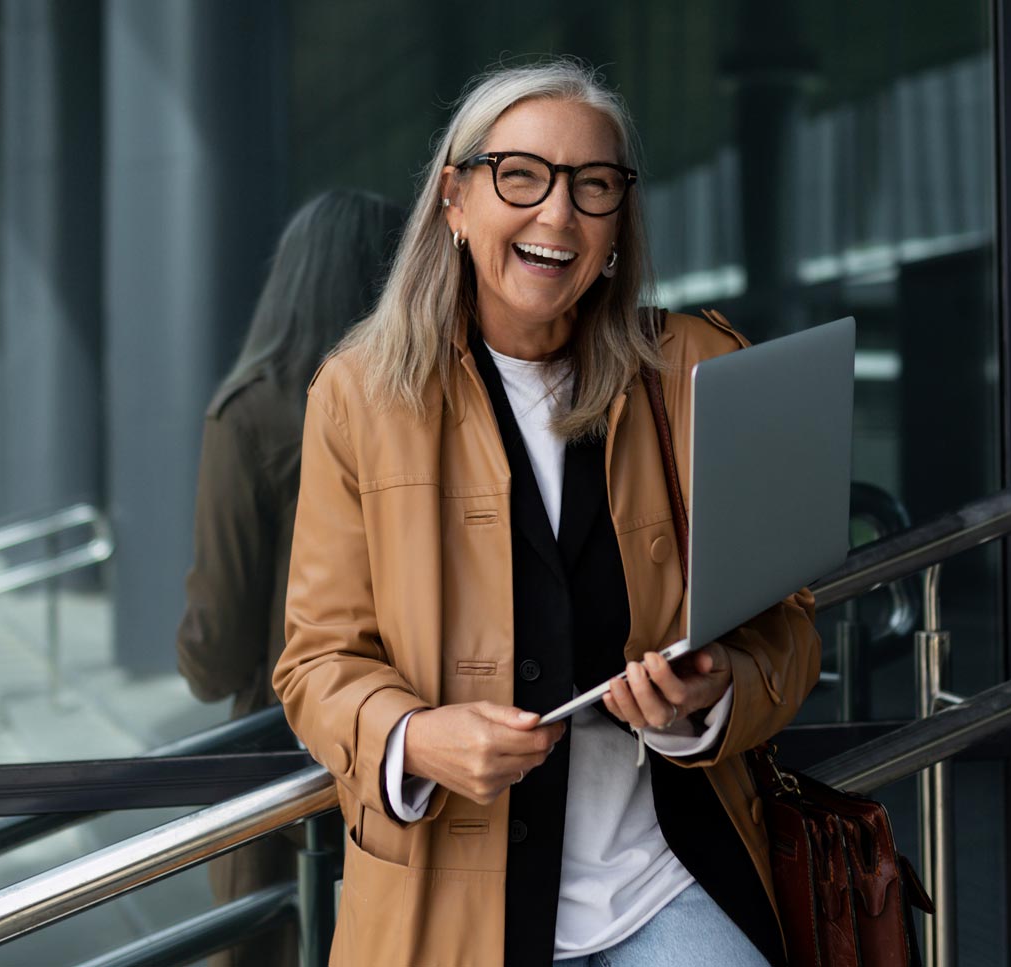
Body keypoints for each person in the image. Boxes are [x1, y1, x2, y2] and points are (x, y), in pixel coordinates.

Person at [272, 59, 820, 967]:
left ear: (619, 222)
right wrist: (413, 739)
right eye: (520, 176)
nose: (558, 215)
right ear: (454, 198)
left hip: (661, 881)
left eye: (594, 186)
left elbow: (788, 626)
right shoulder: (360, 396)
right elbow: (317, 659)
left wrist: (707, 702)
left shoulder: (696, 369)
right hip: (448, 911)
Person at [176, 188, 404, 967]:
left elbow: (217, 645)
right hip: (407, 745)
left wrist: (193, 652)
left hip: (279, 747)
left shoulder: (252, 412)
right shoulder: (427, 400)